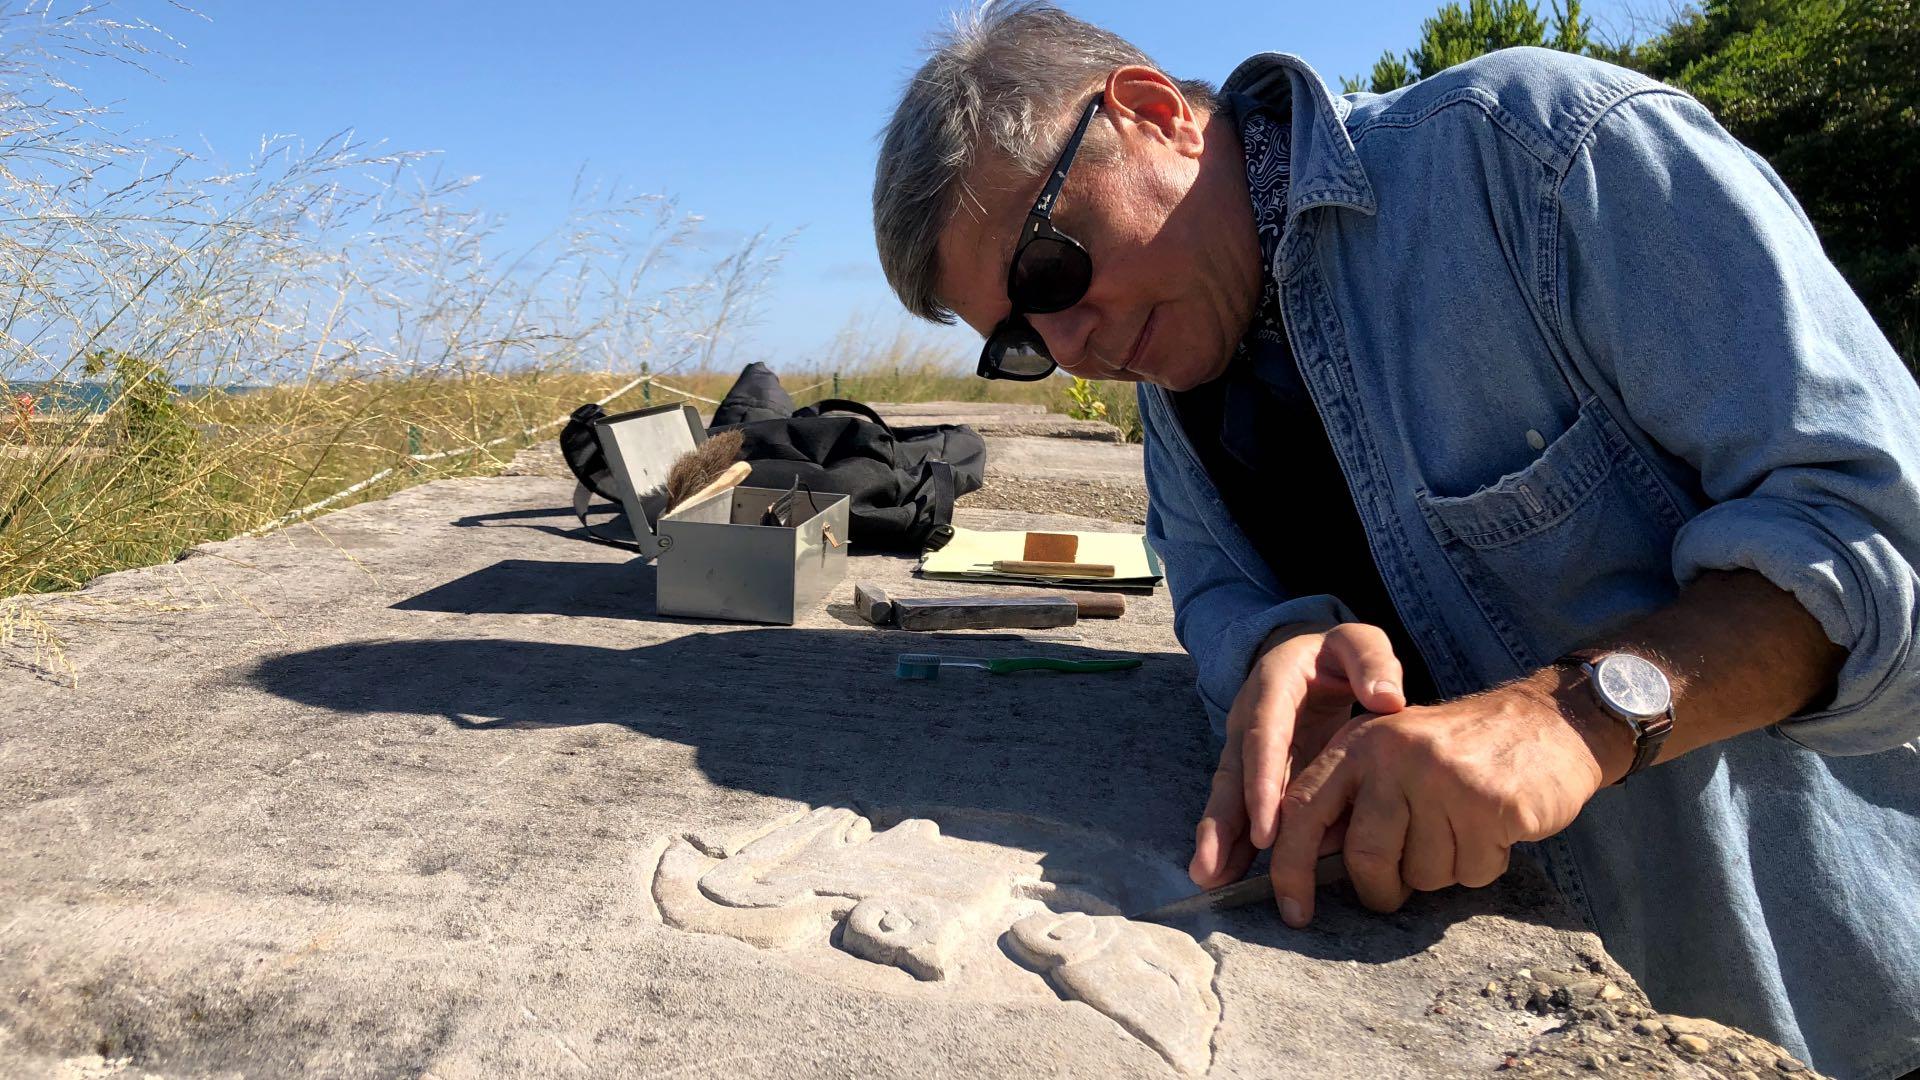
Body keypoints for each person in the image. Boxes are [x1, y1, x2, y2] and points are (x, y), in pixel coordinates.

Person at [872, 4, 1920, 1077]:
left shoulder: (1539, 155)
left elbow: (1877, 535)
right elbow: (1212, 592)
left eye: (1049, 273)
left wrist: (1572, 717)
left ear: (1151, 115)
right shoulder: (1176, 376)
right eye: (1019, 339)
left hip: (1841, 1007)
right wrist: (1280, 650)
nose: (1072, 344)